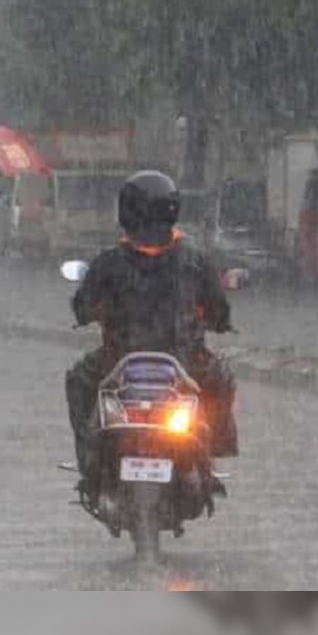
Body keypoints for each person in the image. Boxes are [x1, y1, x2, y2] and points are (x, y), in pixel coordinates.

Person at [65, 171, 238, 498]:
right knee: (222, 380)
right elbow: (218, 311)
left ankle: (88, 459)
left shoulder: (109, 262)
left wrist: (91, 313)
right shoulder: (193, 260)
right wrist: (217, 321)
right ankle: (210, 457)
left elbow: (82, 307)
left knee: (77, 381)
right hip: (186, 361)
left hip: (117, 361)